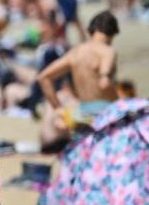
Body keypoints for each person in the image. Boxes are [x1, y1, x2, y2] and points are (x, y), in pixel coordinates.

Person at [35, 10, 120, 152]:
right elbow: (104, 83)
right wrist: (120, 104)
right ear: (112, 33)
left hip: (81, 113)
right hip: (103, 112)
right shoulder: (108, 51)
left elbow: (44, 77)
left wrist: (58, 108)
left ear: (91, 31)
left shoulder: (76, 52)